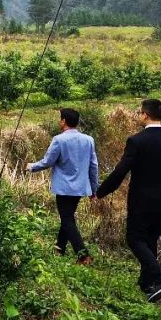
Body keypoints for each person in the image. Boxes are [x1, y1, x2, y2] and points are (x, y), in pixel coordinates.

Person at [94, 98, 161, 303]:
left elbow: (121, 171)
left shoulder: (136, 141)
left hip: (142, 198)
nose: (139, 115)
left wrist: (101, 192)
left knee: (134, 238)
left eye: (139, 113)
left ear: (145, 115)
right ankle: (148, 284)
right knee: (151, 238)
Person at [26, 107, 98, 264]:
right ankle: (59, 248)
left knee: (67, 219)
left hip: (64, 188)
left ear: (64, 121)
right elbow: (94, 166)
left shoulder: (59, 140)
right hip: (80, 188)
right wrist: (94, 189)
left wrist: (31, 166)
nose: (59, 121)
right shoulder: (88, 140)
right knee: (68, 217)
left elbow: (48, 162)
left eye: (60, 118)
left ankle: (83, 254)